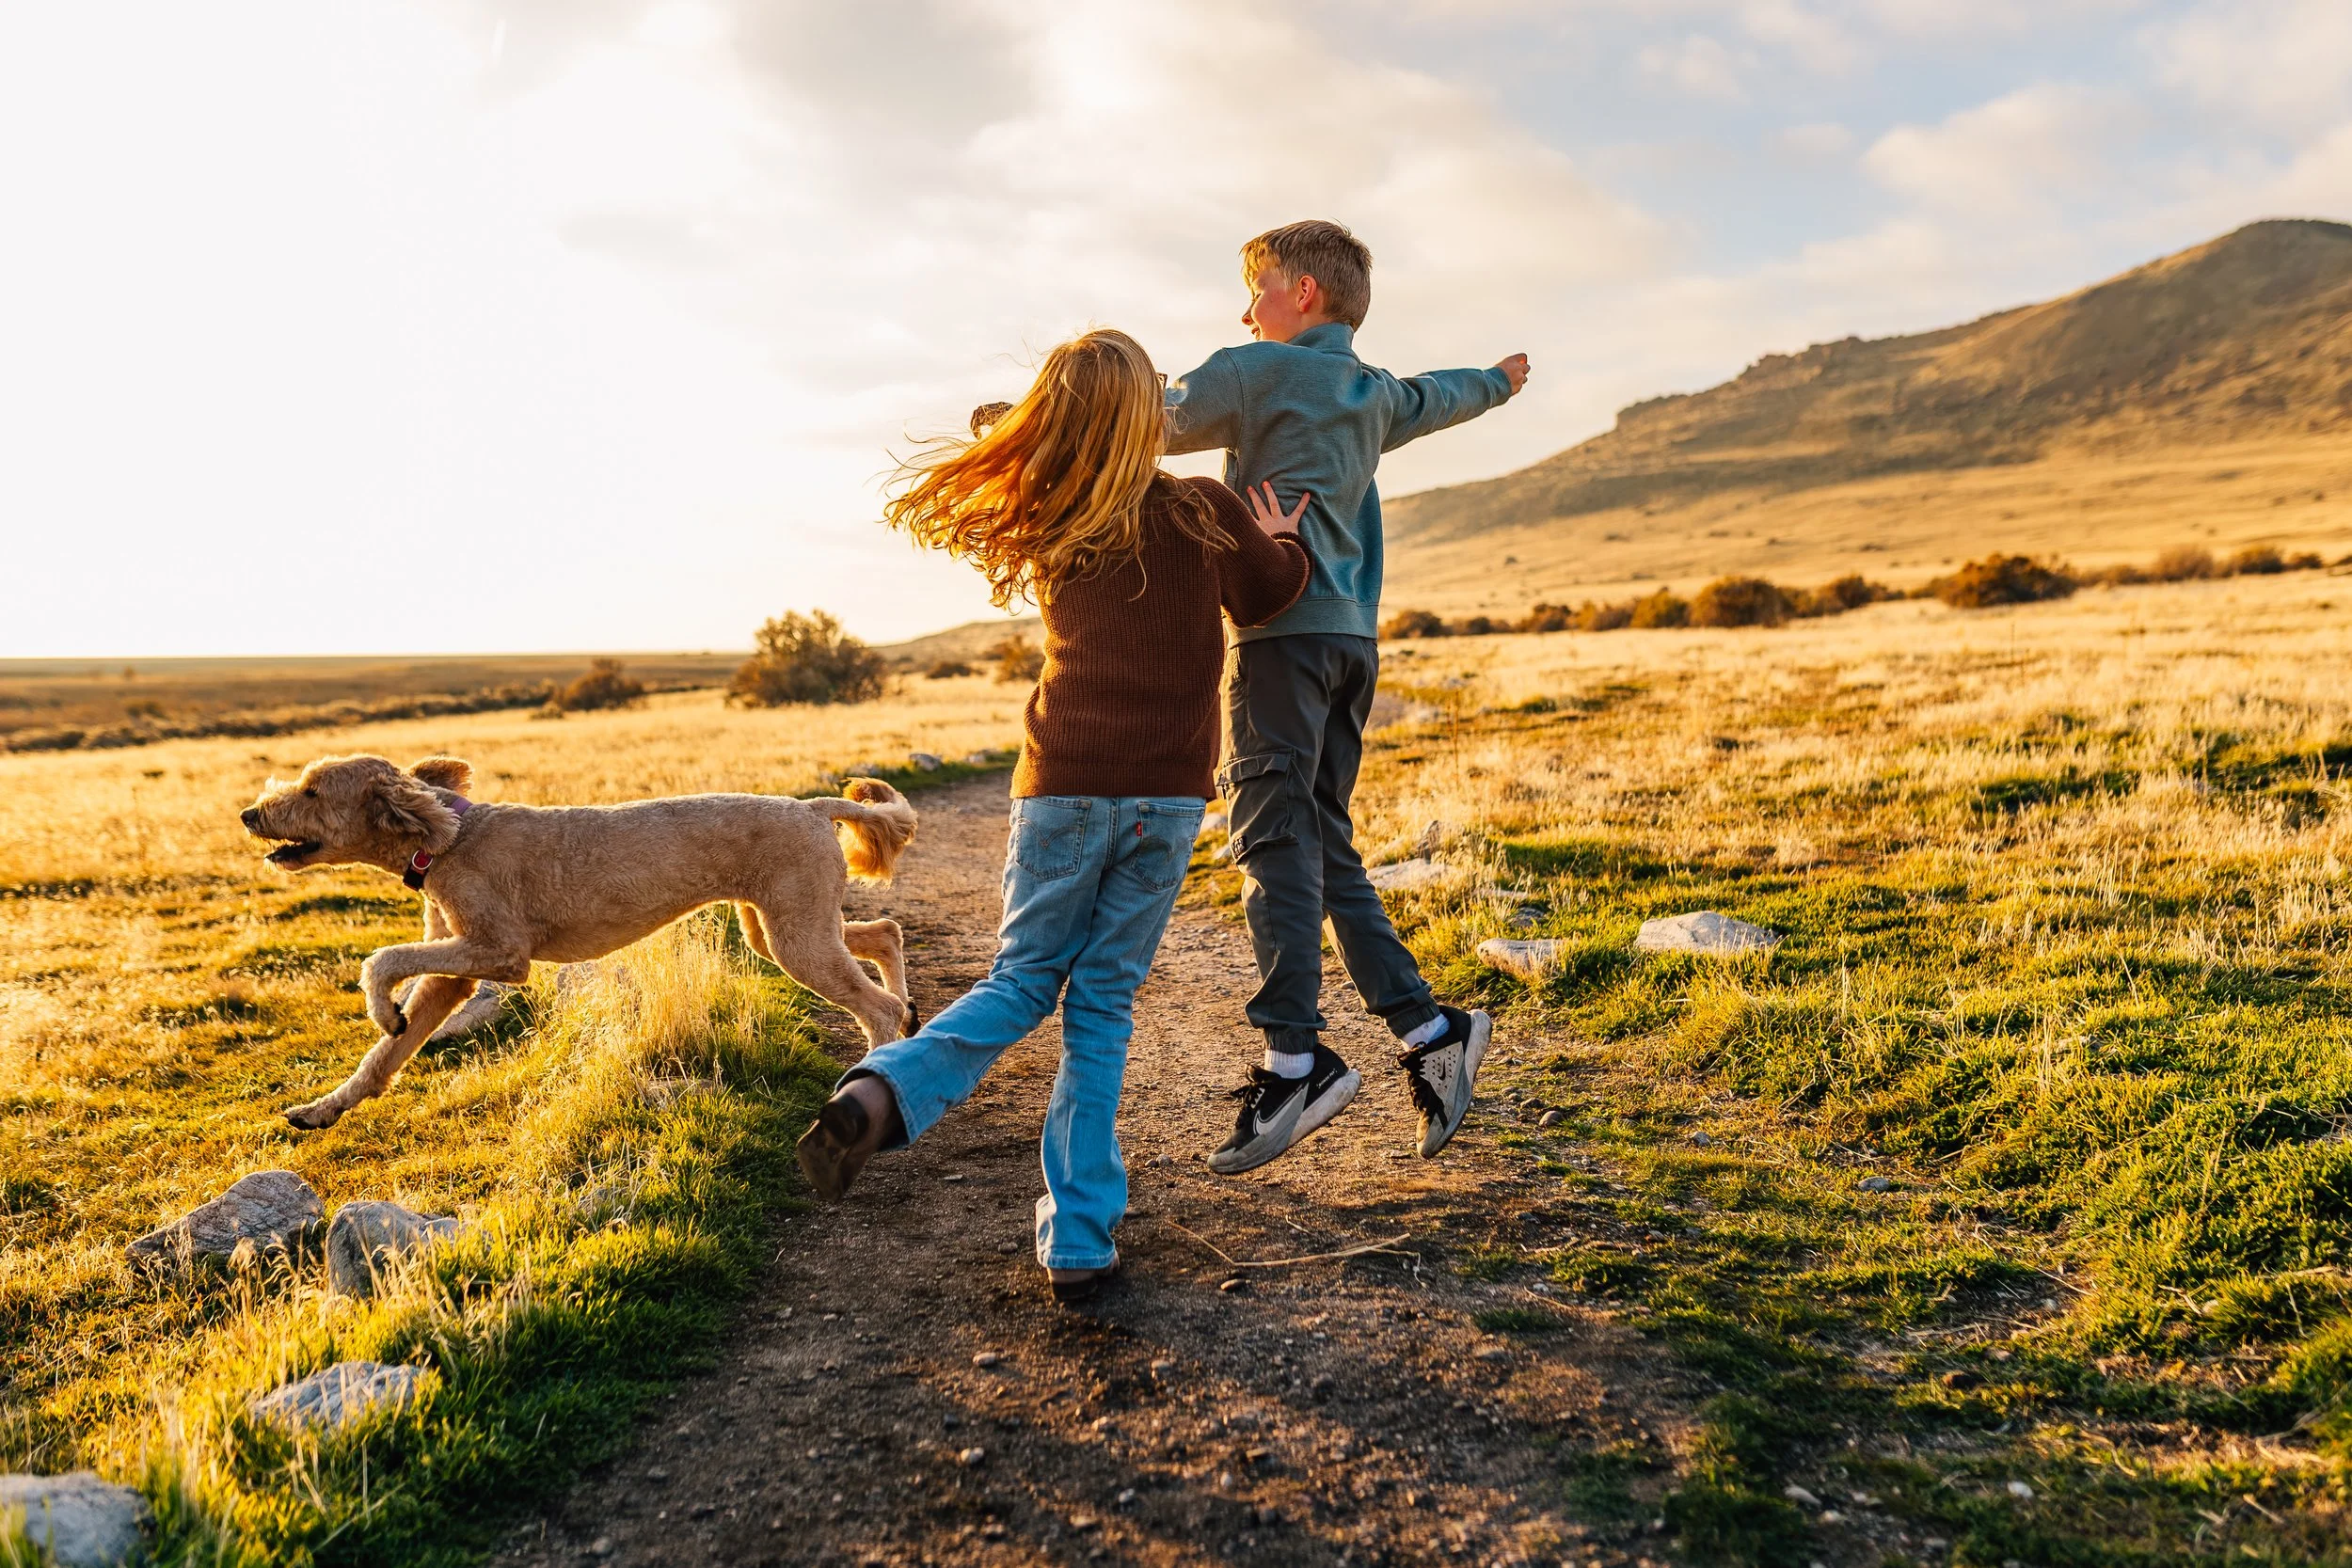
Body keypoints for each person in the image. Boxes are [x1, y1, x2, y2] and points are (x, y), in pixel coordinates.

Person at [794, 327, 1311, 1303]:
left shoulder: (1050, 513)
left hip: (1060, 785)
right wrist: (1279, 534)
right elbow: (1271, 596)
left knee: (1023, 978)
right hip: (1163, 797)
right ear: (1150, 418)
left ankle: (882, 1089)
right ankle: (1078, 1240)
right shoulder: (1202, 508)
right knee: (1100, 1007)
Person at [1161, 219, 1531, 1175]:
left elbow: (1144, 422)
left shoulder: (1250, 370)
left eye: (1257, 290)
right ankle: (1429, 1028)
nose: (1244, 311)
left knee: (1270, 841)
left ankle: (1296, 1060)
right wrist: (1497, 381)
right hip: (1350, 641)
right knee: (1322, 841)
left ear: (1302, 295)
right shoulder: (1371, 392)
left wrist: (1031, 417)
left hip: (1281, 640)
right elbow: (1440, 395)